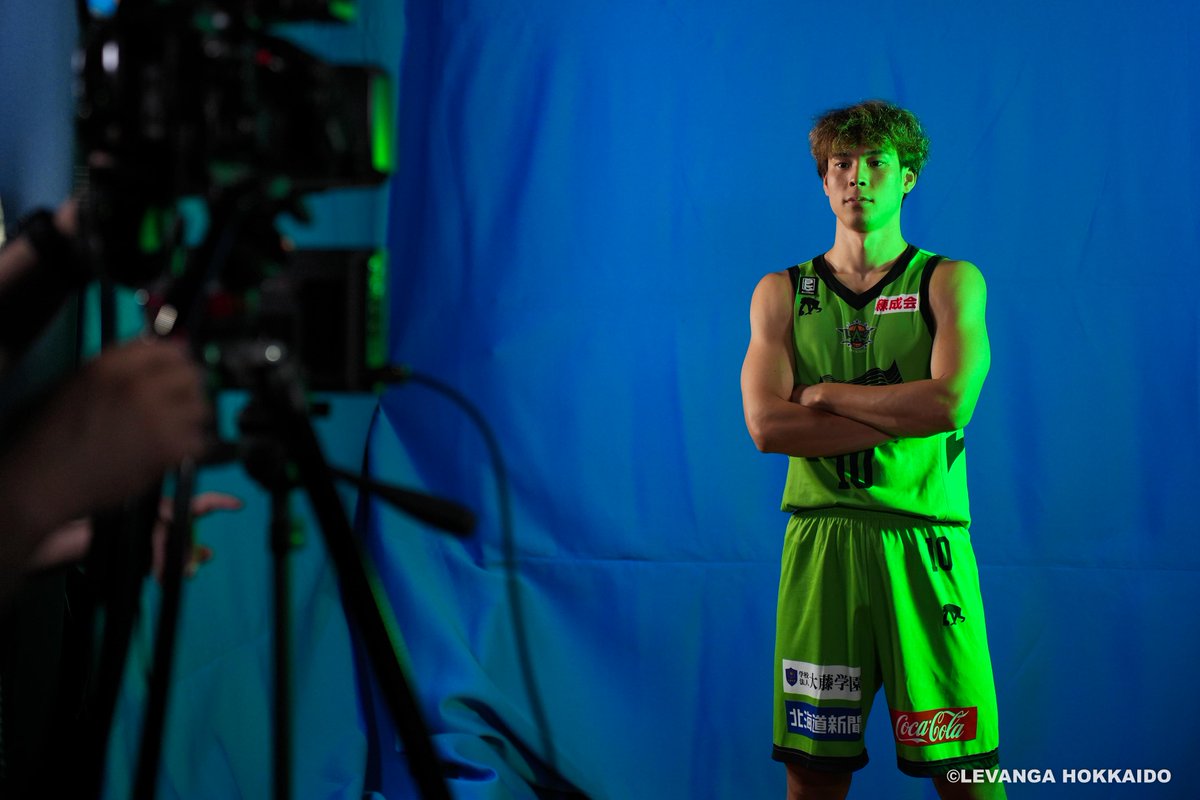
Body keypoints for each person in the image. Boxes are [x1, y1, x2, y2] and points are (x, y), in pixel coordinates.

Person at [740, 100, 1003, 799]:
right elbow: (767, 426)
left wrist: (824, 395)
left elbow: (950, 405)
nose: (857, 177)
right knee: (812, 776)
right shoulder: (781, 292)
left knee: (967, 774)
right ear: (824, 180)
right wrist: (904, 414)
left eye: (876, 162)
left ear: (908, 176)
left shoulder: (949, 280)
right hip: (822, 545)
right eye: (842, 164)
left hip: (924, 544)